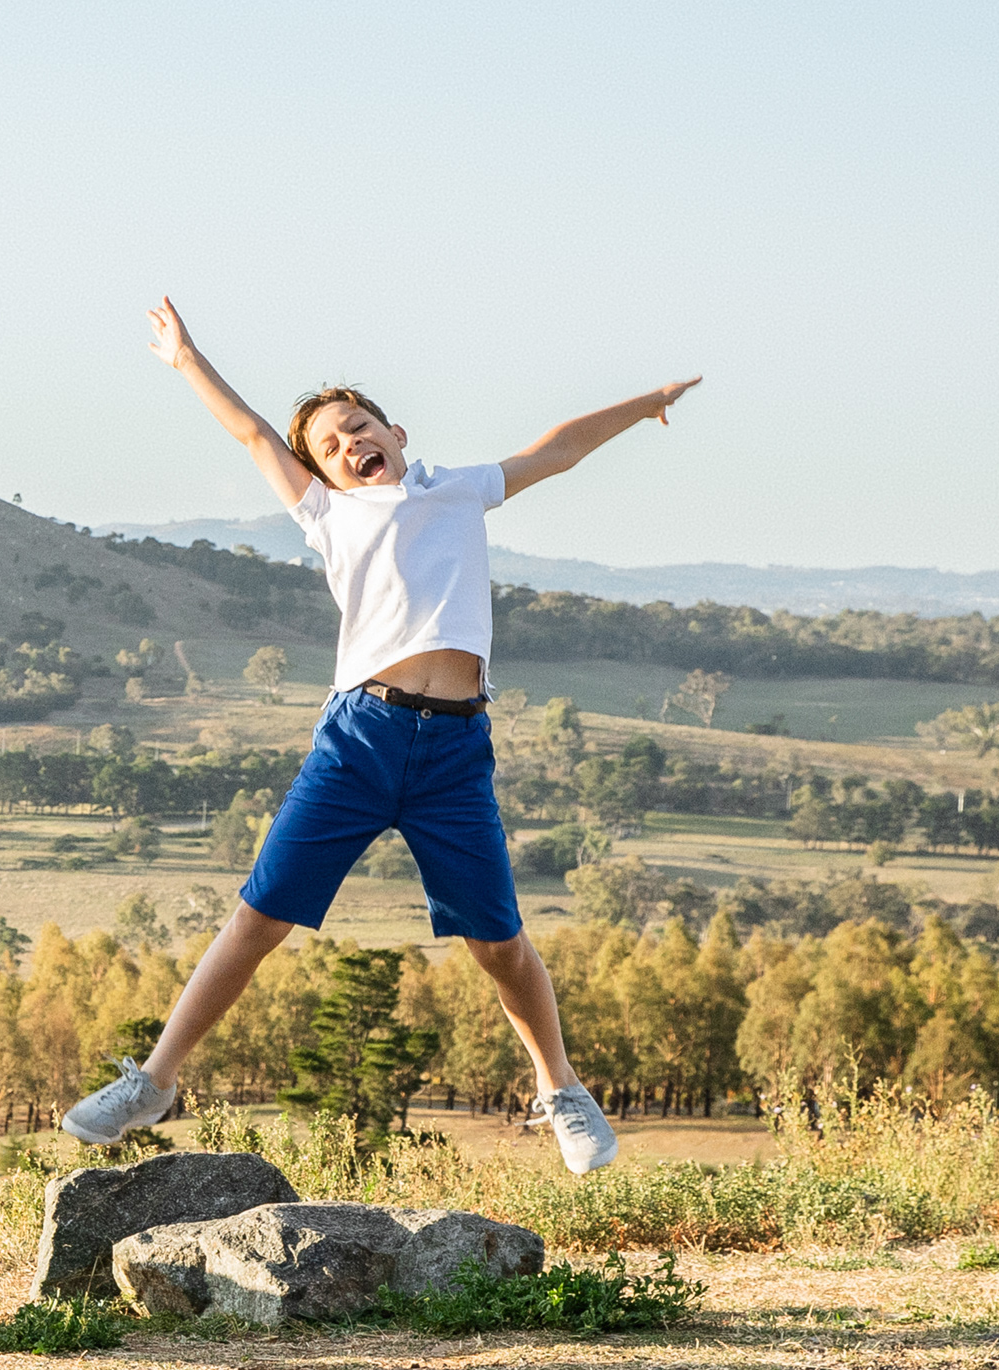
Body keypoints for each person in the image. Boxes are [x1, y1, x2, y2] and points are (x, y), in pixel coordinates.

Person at [61, 298, 701, 1173]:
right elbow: (253, 435)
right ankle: (154, 1081)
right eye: (328, 445)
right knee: (258, 919)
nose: (348, 444)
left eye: (357, 427)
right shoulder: (328, 513)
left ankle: (561, 1090)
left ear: (396, 431)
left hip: (454, 751)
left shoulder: (458, 488)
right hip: (358, 740)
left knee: (499, 942)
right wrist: (186, 358)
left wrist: (643, 402)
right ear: (320, 471)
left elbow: (557, 449)